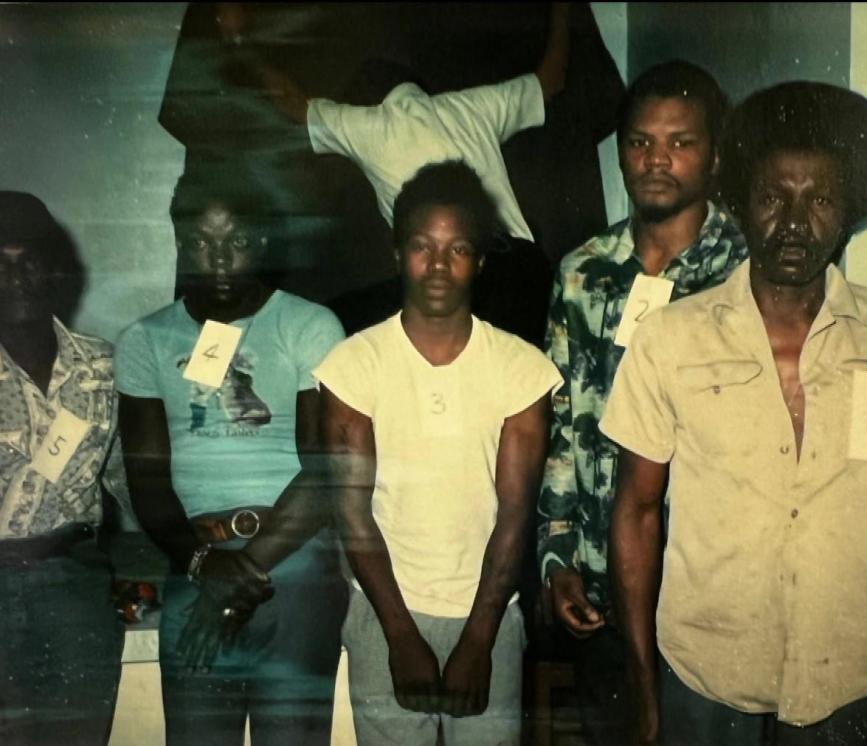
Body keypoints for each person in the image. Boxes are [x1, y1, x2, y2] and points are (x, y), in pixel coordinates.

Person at [602, 81, 867, 745]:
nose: (794, 223)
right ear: (741, 206)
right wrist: (645, 686)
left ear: (848, 208)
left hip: (846, 678)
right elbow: (636, 512)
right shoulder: (671, 337)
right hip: (704, 676)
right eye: (773, 197)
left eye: (819, 199)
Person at [535, 59, 747, 743]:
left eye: (681, 142)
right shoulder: (580, 271)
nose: (657, 160)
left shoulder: (749, 270)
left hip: (714, 591)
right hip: (602, 587)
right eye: (640, 142)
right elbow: (561, 427)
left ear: (714, 155)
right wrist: (556, 555)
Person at [313, 160, 561, 745]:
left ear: (479, 258)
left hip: (489, 612)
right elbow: (352, 514)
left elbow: (514, 515)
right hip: (384, 609)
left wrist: (479, 640)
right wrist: (399, 636)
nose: (439, 266)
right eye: (423, 246)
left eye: (458, 249)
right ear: (399, 252)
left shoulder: (520, 368)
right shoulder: (355, 363)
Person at [115, 169, 348, 745]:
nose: (218, 260)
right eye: (199, 242)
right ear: (177, 241)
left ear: (263, 241)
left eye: (237, 242)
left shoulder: (309, 325)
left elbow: (324, 473)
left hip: (292, 564)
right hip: (197, 562)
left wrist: (240, 574)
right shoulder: (144, 341)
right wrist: (204, 568)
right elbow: (148, 482)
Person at [250, 2, 576, 343]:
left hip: (470, 288)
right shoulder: (473, 106)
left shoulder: (372, 123)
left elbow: (291, 103)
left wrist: (238, 42)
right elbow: (550, 80)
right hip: (527, 273)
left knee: (337, 321)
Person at [0, 192, 124, 745]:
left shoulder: (102, 366)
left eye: (29, 261)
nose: (16, 277)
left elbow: (130, 480)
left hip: (76, 593)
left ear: (56, 270)